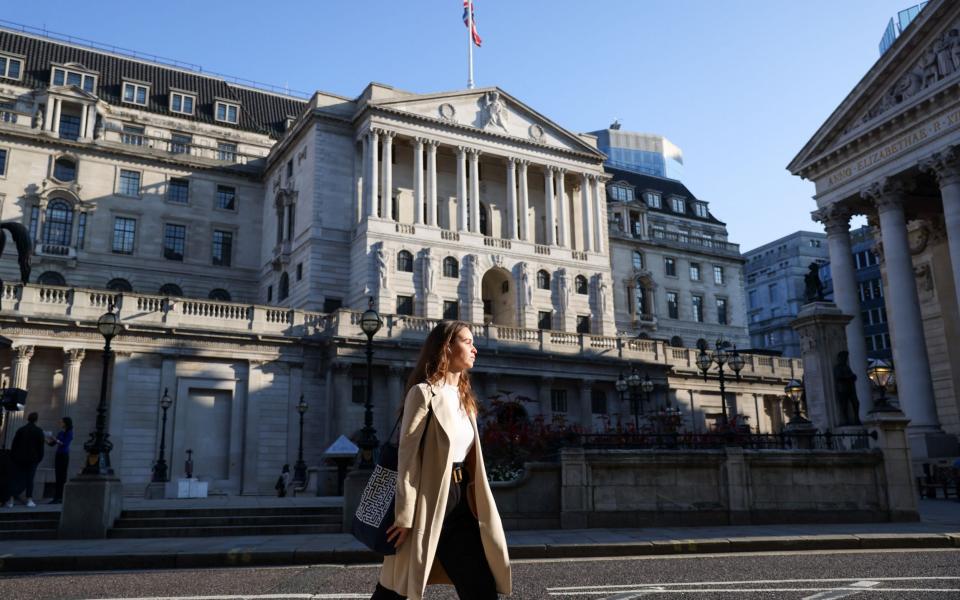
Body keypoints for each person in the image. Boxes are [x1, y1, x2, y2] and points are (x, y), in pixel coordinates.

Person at [372, 321, 511, 600]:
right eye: (467, 341)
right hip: (431, 498)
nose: (475, 349)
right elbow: (407, 457)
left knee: (480, 586)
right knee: (396, 587)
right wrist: (404, 515)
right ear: (447, 347)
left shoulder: (464, 397)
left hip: (462, 500)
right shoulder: (423, 393)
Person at [6, 412, 45, 508]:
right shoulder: (39, 431)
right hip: (33, 459)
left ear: (28, 419)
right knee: (30, 479)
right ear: (36, 420)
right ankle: (29, 499)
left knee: (15, 479)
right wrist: (39, 459)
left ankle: (11, 500)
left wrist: (13, 457)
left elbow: (14, 445)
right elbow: (41, 447)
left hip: (19, 458)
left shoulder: (21, 430)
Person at [46, 417, 73, 504]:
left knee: (62, 476)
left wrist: (55, 439)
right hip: (58, 455)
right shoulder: (60, 433)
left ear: (65, 423)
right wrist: (45, 438)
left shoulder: (69, 433)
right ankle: (56, 497)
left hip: (64, 456)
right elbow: (52, 444)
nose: (60, 423)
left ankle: (60, 497)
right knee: (58, 476)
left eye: (61, 422)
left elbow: (64, 444)